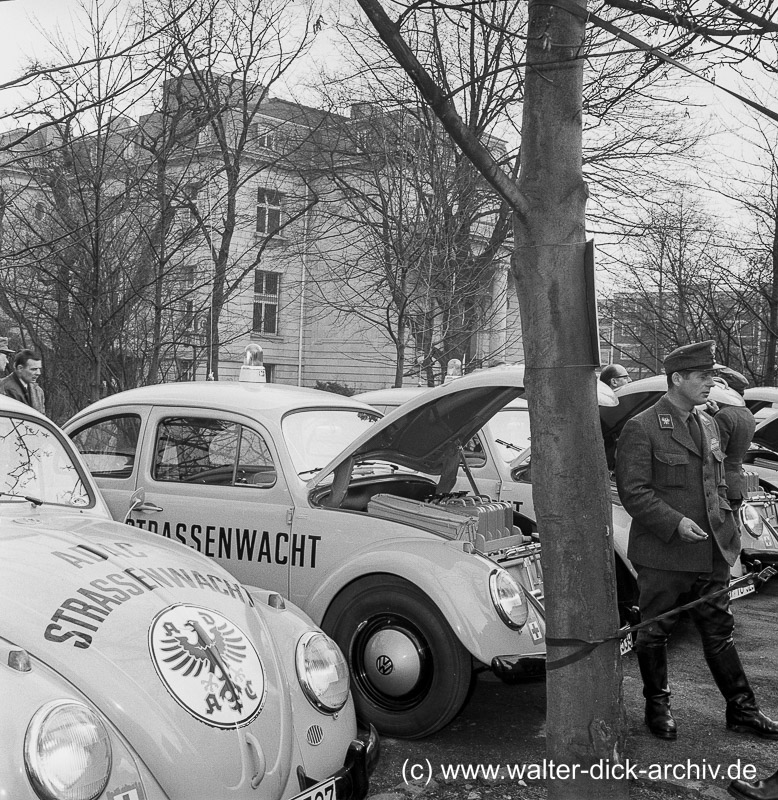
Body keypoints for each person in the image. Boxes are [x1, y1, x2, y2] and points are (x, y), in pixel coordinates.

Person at [615, 340, 778, 741]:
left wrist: (728, 517)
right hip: (665, 553)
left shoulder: (708, 422)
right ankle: (658, 708)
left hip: (712, 551)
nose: (711, 383)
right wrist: (675, 523)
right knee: (654, 632)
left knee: (720, 631)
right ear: (678, 379)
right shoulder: (642, 427)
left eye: (712, 376)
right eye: (704, 377)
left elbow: (717, 479)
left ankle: (742, 710)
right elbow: (633, 491)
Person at [713, 366, 755, 510]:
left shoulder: (723, 415)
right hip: (737, 482)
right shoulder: (747, 413)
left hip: (723, 482)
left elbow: (716, 453)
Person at [0, 349, 46, 414]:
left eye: (39, 369)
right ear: (20, 368)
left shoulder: (38, 391)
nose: (38, 373)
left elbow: (43, 418)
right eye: (33, 369)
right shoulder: (2, 388)